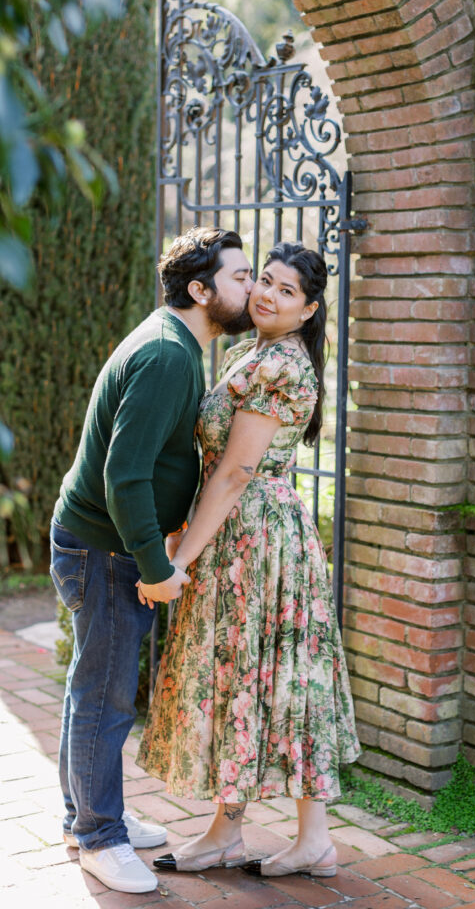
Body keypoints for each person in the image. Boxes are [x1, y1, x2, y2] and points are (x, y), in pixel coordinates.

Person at [137, 242, 361, 879]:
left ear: (309, 309)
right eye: (264, 280)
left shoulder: (282, 364)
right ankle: (266, 835)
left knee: (268, 676)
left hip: (255, 538)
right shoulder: (250, 352)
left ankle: (265, 836)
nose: (266, 293)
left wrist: (182, 551)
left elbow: (236, 471)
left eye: (286, 291)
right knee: (257, 679)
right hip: (241, 533)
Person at [50, 226, 253, 894]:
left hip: (100, 544)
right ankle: (98, 836)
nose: (250, 287)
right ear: (201, 289)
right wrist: (156, 566)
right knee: (104, 695)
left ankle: (87, 814)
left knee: (93, 686)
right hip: (105, 551)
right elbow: (125, 475)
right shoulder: (169, 356)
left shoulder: (173, 343)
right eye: (239, 276)